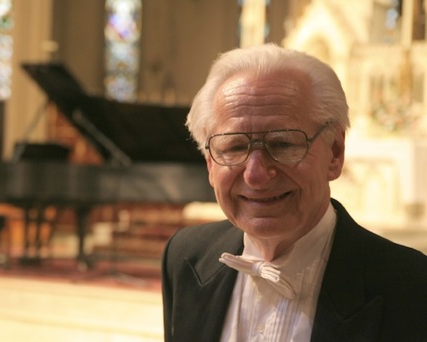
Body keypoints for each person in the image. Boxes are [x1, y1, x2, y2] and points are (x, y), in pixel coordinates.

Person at [161, 44, 427, 342]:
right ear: (210, 163)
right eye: (234, 147)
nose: (256, 175)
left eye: (283, 144)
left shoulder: (411, 284)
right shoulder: (185, 257)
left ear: (335, 153)